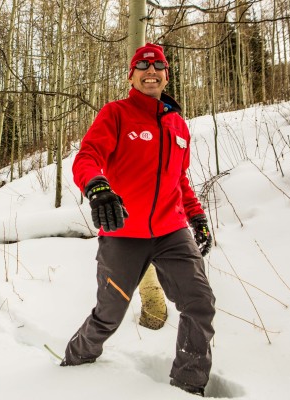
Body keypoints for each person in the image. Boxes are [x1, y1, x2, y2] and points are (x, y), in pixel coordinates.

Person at [61, 43, 215, 397]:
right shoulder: (116, 113)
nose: (151, 71)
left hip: (171, 231)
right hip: (122, 233)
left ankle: (189, 385)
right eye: (142, 66)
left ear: (166, 75)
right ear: (132, 76)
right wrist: (97, 186)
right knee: (110, 313)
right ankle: (74, 363)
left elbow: (180, 180)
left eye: (157, 65)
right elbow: (87, 157)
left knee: (200, 303)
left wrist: (196, 216)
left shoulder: (177, 125)